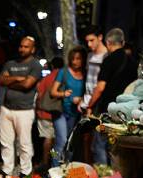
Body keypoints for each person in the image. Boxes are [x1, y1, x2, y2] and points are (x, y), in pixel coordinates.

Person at [87, 28, 137, 164]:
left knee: (99, 145)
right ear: (123, 42)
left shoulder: (109, 60)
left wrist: (89, 105)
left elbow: (100, 87)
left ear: (108, 43)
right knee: (116, 147)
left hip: (108, 110)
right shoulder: (132, 61)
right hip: (127, 111)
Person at [0, 36, 42, 177]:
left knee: (24, 143)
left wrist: (9, 81)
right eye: (21, 46)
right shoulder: (10, 63)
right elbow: (0, 80)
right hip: (6, 108)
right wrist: (18, 78)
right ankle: (7, 171)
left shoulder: (35, 65)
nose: (22, 49)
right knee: (6, 143)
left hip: (25, 110)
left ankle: (25, 172)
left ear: (32, 49)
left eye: (26, 46)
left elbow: (27, 85)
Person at [50, 49, 85, 167]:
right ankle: (54, 169)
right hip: (60, 112)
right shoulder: (63, 72)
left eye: (78, 58)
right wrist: (64, 94)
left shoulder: (85, 73)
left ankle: (66, 170)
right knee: (61, 141)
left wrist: (81, 100)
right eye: (73, 59)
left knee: (71, 144)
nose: (75, 61)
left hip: (75, 114)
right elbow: (53, 92)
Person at [80, 25, 108, 164]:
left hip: (98, 103)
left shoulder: (107, 56)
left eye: (92, 40)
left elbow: (101, 86)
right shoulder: (90, 55)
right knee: (86, 139)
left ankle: (102, 175)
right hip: (87, 101)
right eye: (87, 41)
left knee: (98, 142)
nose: (89, 44)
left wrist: (91, 104)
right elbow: (88, 81)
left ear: (100, 37)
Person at [34, 56, 63, 171]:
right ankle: (55, 162)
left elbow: (39, 94)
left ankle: (46, 162)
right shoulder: (63, 77)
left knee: (48, 138)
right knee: (57, 140)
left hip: (45, 113)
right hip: (59, 113)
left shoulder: (47, 78)